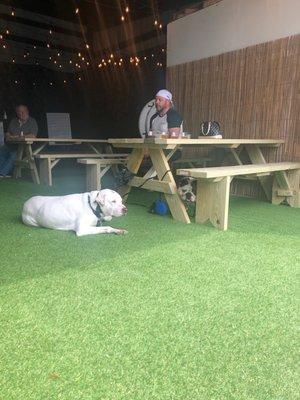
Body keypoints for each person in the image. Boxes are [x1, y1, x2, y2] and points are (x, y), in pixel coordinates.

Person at [0, 104, 38, 177]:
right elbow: (8, 133)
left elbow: (33, 136)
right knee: (1, 152)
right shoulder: (13, 121)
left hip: (24, 148)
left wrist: (19, 137)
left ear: (27, 112)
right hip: (10, 145)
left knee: (14, 155)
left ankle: (2, 173)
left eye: (22, 112)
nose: (20, 113)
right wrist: (8, 136)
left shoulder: (32, 121)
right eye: (18, 112)